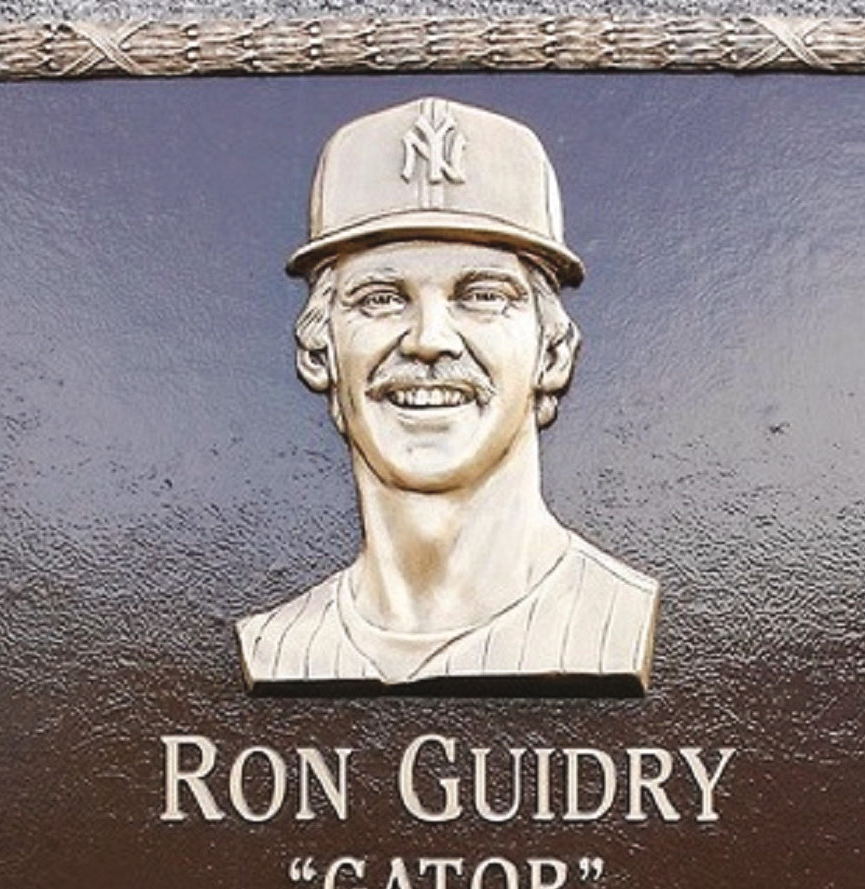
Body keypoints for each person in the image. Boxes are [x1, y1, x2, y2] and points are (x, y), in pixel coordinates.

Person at [237, 96, 658, 688]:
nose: (429, 340)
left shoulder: (616, 619)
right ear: (319, 352)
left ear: (553, 352)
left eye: (482, 295)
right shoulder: (277, 647)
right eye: (381, 298)